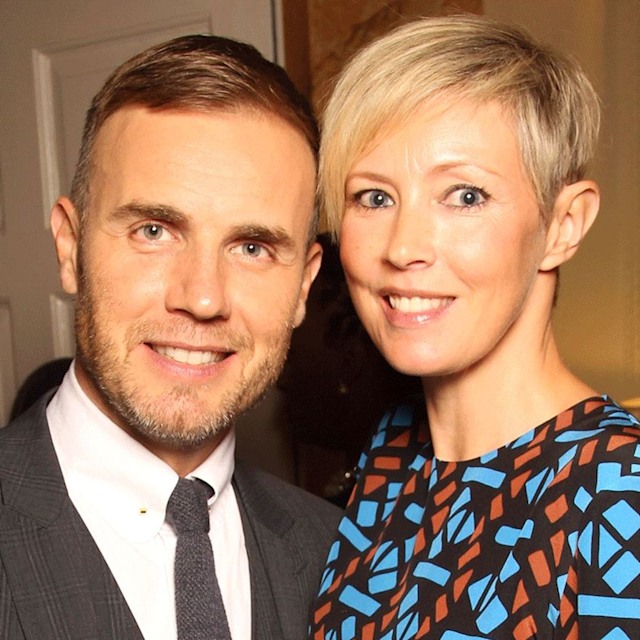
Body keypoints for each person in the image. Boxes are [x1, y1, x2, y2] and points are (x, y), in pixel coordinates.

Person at [0, 34, 341, 640]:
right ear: (70, 247)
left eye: (252, 247)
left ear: (303, 285)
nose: (202, 298)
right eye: (154, 231)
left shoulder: (339, 556)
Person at [310, 15, 640, 639]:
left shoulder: (619, 493)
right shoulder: (392, 453)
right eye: (374, 197)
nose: (404, 247)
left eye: (464, 196)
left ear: (563, 225)